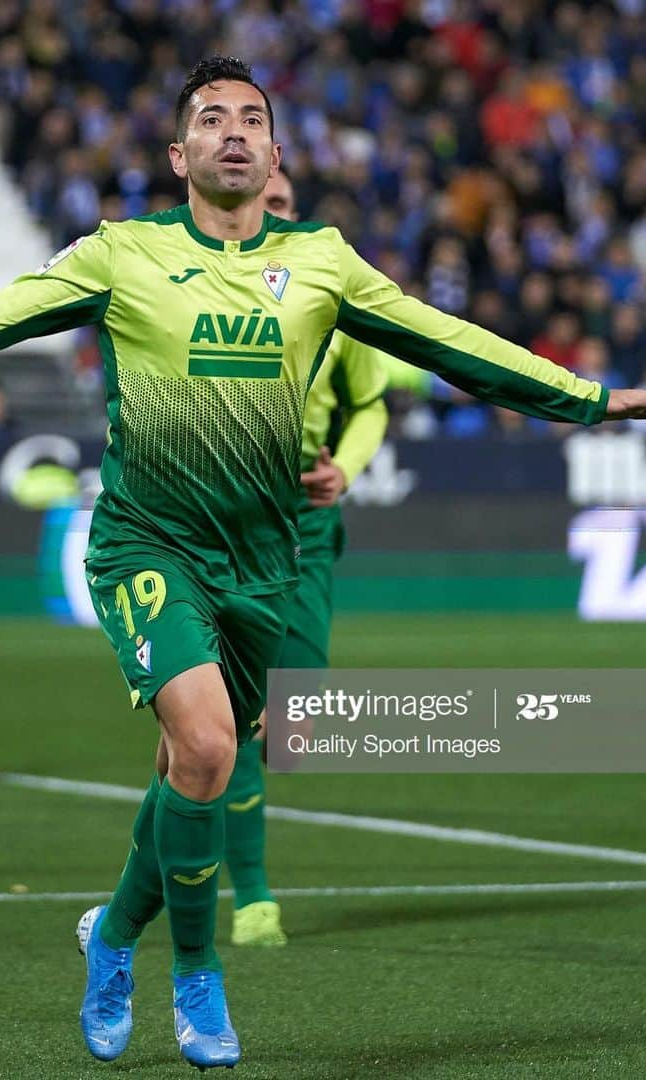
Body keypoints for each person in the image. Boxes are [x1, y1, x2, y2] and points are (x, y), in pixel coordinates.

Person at [0, 57, 646, 1071]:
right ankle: (196, 975)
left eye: (253, 119)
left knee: (188, 773)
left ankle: (112, 933)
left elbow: (447, 340)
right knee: (207, 749)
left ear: (278, 152)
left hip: (264, 560)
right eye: (212, 118)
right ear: (180, 154)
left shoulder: (324, 263)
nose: (234, 132)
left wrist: (591, 399)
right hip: (147, 546)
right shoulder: (124, 256)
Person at [221, 167, 392, 948]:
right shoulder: (198, 293)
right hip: (219, 524)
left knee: (295, 721)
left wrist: (346, 468)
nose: (270, 212)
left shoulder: (333, 301)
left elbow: (372, 403)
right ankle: (252, 896)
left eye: (283, 204)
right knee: (230, 713)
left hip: (305, 523)